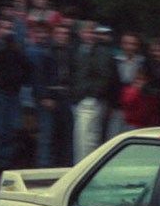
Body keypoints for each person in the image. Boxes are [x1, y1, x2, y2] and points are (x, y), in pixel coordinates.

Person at [0, 34, 30, 171]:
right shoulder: (5, 53)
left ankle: (1, 159)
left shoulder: (13, 55)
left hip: (9, 93)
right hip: (4, 93)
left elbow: (26, 69)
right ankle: (0, 159)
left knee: (5, 128)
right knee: (2, 127)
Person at [70, 21, 112, 163]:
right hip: (78, 99)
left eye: (92, 32)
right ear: (81, 34)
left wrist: (92, 93)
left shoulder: (102, 52)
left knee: (89, 140)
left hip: (92, 99)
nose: (90, 35)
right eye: (87, 32)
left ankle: (87, 168)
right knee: (80, 139)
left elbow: (105, 76)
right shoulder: (76, 50)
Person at [34, 25, 74, 167]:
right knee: (47, 134)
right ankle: (43, 166)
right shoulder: (46, 53)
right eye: (59, 33)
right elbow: (38, 77)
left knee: (64, 134)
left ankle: (61, 166)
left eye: (65, 33)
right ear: (54, 34)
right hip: (50, 96)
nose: (63, 36)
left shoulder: (70, 52)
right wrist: (44, 96)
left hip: (65, 96)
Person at [107, 32, 145, 138]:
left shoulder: (142, 62)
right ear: (122, 44)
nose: (130, 47)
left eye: (133, 44)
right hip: (117, 106)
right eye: (127, 43)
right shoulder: (114, 60)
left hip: (136, 107)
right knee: (114, 136)